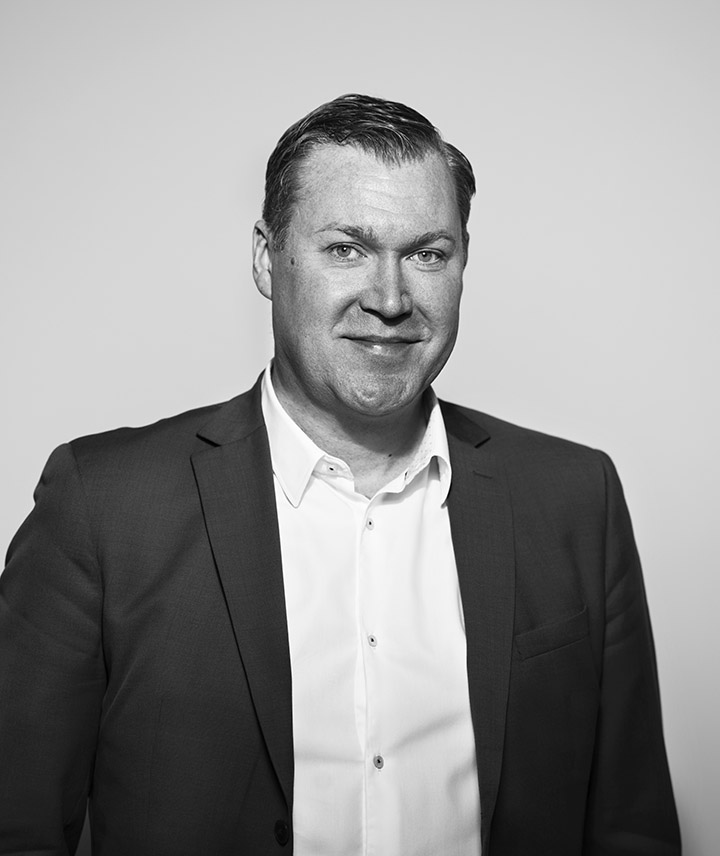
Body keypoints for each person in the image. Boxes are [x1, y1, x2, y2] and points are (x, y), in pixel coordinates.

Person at [0, 94, 680, 855]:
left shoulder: (576, 499)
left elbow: (631, 826)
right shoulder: (105, 505)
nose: (389, 300)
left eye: (428, 254)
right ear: (267, 258)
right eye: (347, 249)